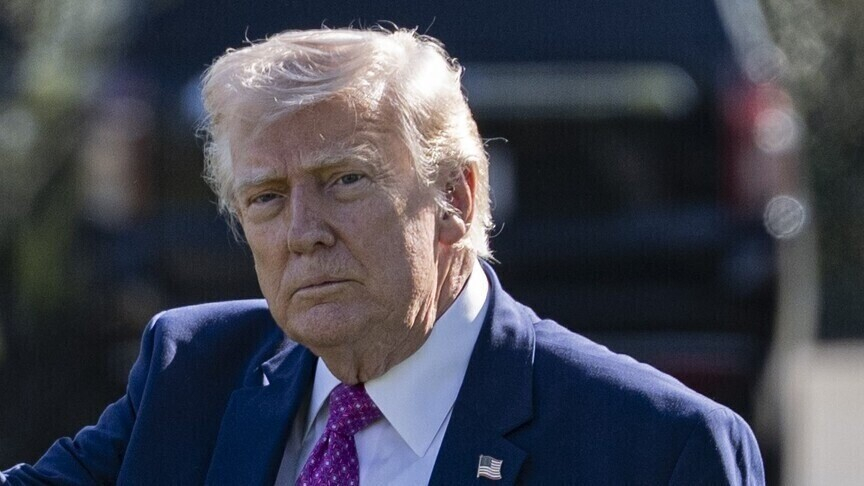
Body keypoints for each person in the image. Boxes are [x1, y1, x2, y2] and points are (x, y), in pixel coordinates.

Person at [1, 27, 764, 485]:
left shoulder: (657, 449)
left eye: (345, 181)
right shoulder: (190, 373)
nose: (304, 230)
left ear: (457, 199)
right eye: (266, 197)